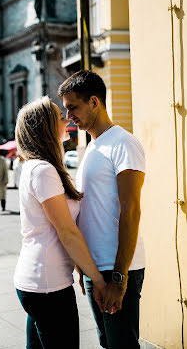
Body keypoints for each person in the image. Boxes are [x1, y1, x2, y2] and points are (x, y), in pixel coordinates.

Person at [14, 96, 115, 349]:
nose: (67, 118)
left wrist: (80, 268)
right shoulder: (43, 171)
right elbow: (67, 232)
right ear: (46, 127)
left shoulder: (36, 167)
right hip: (48, 286)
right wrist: (98, 281)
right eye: (61, 116)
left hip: (38, 282)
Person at [58, 70, 146, 349]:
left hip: (116, 269)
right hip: (95, 270)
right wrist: (83, 266)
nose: (69, 116)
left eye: (73, 107)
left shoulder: (124, 143)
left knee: (121, 344)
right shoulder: (93, 147)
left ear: (94, 102)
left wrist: (119, 279)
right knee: (106, 343)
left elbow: (131, 211)